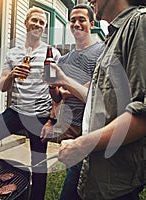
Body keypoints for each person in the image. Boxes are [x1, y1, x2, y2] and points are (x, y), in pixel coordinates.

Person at [49, 0, 146, 199]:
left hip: (115, 171)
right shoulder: (113, 38)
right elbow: (98, 101)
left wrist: (81, 145)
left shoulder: (143, 23)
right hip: (91, 159)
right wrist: (62, 83)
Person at [0, 7, 61, 200]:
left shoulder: (51, 53)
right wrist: (12, 73)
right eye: (34, 20)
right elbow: (3, 87)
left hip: (40, 115)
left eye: (41, 22)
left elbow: (57, 89)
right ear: (26, 22)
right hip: (16, 112)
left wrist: (51, 120)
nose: (37, 24)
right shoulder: (13, 53)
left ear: (44, 27)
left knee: (38, 163)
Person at [40, 4, 103, 200]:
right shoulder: (64, 58)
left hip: (92, 129)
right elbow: (58, 98)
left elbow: (96, 94)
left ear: (91, 24)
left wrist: (67, 88)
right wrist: (54, 89)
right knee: (76, 181)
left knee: (76, 187)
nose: (76, 23)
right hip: (70, 128)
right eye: (73, 20)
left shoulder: (102, 52)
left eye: (81, 19)